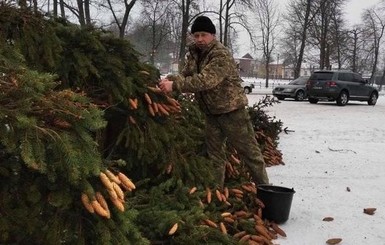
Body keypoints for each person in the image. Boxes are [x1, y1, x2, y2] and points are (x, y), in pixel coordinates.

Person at [159, 16, 269, 188]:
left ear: (213, 35)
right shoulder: (195, 54)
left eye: (204, 35)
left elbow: (206, 80)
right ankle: (215, 192)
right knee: (215, 157)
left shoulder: (220, 54)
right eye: (196, 35)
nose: (200, 39)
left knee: (250, 154)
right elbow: (186, 75)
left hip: (232, 112)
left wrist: (174, 85)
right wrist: (170, 79)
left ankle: (266, 191)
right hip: (211, 113)